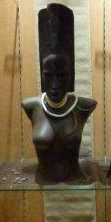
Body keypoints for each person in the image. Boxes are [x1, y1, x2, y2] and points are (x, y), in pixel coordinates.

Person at [22, 51, 96, 183]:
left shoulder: (84, 106)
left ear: (71, 76)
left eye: (62, 76)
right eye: (48, 76)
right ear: (42, 76)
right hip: (43, 182)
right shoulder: (30, 106)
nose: (54, 85)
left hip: (75, 183)